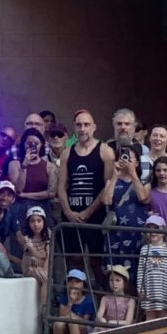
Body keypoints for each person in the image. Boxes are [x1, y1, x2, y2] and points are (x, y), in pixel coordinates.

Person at [57, 109, 114, 283]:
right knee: (73, 262)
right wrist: (68, 212)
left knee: (98, 263)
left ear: (94, 127)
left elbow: (107, 186)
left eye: (86, 125)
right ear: (74, 127)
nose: (82, 129)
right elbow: (61, 186)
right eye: (79, 125)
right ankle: (75, 298)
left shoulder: (105, 151)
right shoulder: (67, 152)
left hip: (96, 216)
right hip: (71, 216)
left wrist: (88, 212)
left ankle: (100, 297)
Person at [102, 142, 149, 282]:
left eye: (129, 157)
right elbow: (106, 200)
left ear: (137, 162)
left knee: (136, 271)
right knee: (114, 271)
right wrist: (115, 175)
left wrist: (133, 173)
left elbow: (143, 197)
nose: (125, 160)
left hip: (137, 235)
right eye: (122, 157)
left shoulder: (144, 182)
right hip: (115, 234)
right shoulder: (111, 181)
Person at [6, 127, 57, 220]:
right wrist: (24, 166)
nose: (33, 146)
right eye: (29, 143)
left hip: (43, 208)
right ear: (24, 144)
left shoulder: (50, 166)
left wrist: (25, 195)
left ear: (41, 145)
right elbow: (18, 189)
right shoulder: (14, 164)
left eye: (36, 144)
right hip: (21, 208)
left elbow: (52, 192)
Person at [137, 215, 167, 322]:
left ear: (163, 231)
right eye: (149, 228)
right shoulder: (144, 249)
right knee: (149, 312)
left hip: (164, 286)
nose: (152, 232)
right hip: (149, 286)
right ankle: (149, 332)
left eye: (156, 228)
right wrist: (140, 288)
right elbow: (141, 270)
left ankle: (165, 332)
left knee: (164, 312)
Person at [146, 155, 167, 258]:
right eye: (158, 170)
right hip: (157, 234)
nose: (161, 173)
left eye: (165, 170)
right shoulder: (151, 192)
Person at [53, 268, 96, 334]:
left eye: (77, 281)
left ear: (83, 284)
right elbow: (61, 315)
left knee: (72, 323)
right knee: (58, 324)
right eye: (70, 281)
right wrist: (71, 302)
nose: (73, 284)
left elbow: (85, 321)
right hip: (66, 322)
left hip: (83, 327)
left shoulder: (88, 300)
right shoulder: (64, 297)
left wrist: (72, 316)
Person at [21, 206, 50, 308]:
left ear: (44, 222)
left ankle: (45, 307)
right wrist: (40, 255)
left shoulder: (48, 235)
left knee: (46, 277)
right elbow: (35, 255)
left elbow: (48, 256)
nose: (36, 224)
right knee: (46, 278)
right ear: (28, 223)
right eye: (32, 221)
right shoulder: (26, 238)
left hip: (42, 267)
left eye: (39, 221)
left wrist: (44, 268)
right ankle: (44, 309)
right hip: (30, 268)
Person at [95, 264, 135, 330]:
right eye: (111, 280)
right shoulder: (105, 298)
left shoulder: (130, 301)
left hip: (122, 329)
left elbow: (128, 322)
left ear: (125, 283)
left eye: (117, 280)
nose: (114, 283)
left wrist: (112, 322)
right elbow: (99, 316)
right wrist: (102, 320)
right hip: (105, 328)